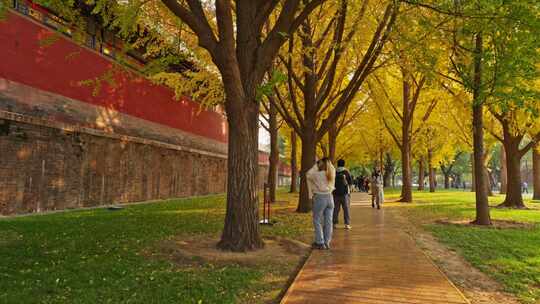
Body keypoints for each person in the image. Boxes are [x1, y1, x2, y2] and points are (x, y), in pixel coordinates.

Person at [306, 157, 335, 250]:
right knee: (328, 221)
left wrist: (316, 165)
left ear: (321, 164)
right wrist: (328, 163)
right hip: (330, 198)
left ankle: (320, 242)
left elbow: (308, 174)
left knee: (317, 220)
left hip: (320, 197)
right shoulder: (331, 173)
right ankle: (327, 242)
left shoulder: (317, 174)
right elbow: (332, 167)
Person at [333, 159, 353, 230]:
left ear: (337, 164)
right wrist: (350, 191)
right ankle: (347, 224)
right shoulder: (346, 172)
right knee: (346, 209)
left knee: (335, 209)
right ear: (344, 164)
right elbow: (350, 183)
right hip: (345, 193)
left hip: (335, 193)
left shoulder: (334, 171)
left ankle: (334, 224)